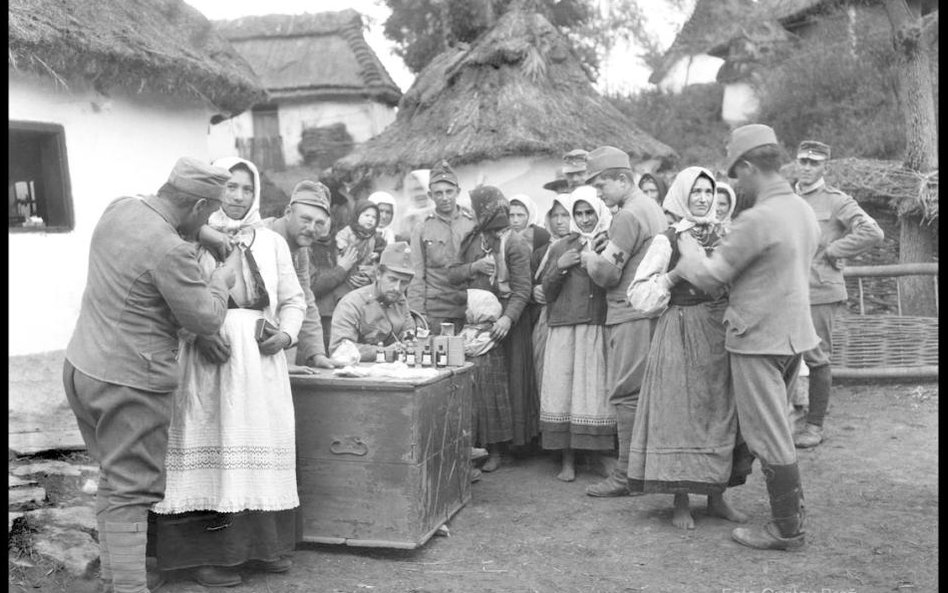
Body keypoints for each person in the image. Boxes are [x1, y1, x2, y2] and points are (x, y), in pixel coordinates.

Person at [63, 158, 236, 593]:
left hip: (83, 368)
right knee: (132, 492)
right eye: (211, 211)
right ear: (198, 204)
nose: (212, 219)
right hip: (129, 383)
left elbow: (164, 213)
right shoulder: (172, 251)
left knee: (114, 481)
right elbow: (205, 320)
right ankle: (128, 587)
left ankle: (112, 578)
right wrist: (221, 279)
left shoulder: (120, 208)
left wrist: (204, 230)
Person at [151, 157, 306, 586]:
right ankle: (208, 556)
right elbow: (168, 301)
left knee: (253, 448)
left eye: (246, 189)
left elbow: (294, 299)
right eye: (230, 187)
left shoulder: (273, 243)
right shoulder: (187, 240)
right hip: (208, 361)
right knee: (213, 445)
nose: (238, 197)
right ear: (212, 191)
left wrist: (287, 337)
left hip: (259, 366)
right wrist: (197, 335)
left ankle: (259, 550)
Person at [673, 123, 820, 550]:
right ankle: (791, 516)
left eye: (737, 174)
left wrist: (688, 253)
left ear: (751, 166)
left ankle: (786, 528)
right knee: (779, 429)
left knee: (767, 433)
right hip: (794, 335)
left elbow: (708, 277)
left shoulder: (758, 219)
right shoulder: (801, 210)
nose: (735, 183)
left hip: (757, 337)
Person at [625, 166, 749, 530]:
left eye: (708, 192)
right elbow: (638, 295)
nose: (702, 198)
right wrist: (675, 275)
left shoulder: (727, 236)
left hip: (719, 334)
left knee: (719, 412)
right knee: (680, 414)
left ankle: (716, 497)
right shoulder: (668, 239)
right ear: (682, 195)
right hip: (680, 329)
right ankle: (680, 499)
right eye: (695, 192)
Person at [581, 146, 668, 498]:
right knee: (643, 393)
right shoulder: (651, 208)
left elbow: (606, 273)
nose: (599, 193)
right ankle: (644, 470)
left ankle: (626, 475)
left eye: (602, 185)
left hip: (629, 313)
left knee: (626, 394)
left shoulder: (629, 215)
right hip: (648, 312)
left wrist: (589, 257)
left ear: (622, 179)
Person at [792, 140, 884, 449]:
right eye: (802, 160)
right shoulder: (784, 199)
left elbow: (873, 231)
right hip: (784, 292)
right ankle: (785, 421)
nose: (806, 167)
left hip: (819, 290)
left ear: (824, 167)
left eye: (813, 162)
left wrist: (835, 250)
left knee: (817, 358)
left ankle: (814, 426)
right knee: (781, 355)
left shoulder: (836, 201)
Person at [449, 185, 534, 471]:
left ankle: (499, 449)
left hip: (503, 327)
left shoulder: (514, 243)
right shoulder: (472, 239)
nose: (469, 214)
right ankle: (476, 445)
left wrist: (506, 319)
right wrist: (475, 267)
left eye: (474, 210)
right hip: (474, 324)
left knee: (498, 386)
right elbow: (452, 275)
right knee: (474, 385)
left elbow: (523, 289)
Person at [540, 186, 614, 482]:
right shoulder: (561, 246)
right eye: (579, 213)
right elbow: (546, 291)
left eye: (589, 213)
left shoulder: (609, 244)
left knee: (593, 393)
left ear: (599, 213)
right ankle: (567, 460)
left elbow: (614, 281)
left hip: (595, 326)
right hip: (564, 327)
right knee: (564, 392)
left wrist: (596, 259)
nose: (584, 219)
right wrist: (559, 267)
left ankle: (597, 456)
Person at [261, 180, 340, 370]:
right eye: (306, 219)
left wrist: (317, 354)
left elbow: (305, 300)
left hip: (277, 342)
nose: (312, 228)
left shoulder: (300, 251)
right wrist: (282, 364)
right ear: (288, 213)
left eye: (319, 223)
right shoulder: (261, 237)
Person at [407, 160, 476, 335]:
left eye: (449, 192)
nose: (445, 198)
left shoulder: (472, 224)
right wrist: (418, 314)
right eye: (438, 193)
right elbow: (417, 275)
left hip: (469, 309)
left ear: (458, 192)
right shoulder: (422, 227)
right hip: (436, 311)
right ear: (430, 195)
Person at [329, 242, 417, 360]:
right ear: (379, 274)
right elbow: (339, 350)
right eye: (392, 279)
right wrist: (383, 352)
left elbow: (408, 332)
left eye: (404, 282)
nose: (397, 288)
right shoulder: (352, 303)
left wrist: (409, 343)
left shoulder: (399, 300)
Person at [530, 194, 574, 402]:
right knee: (545, 370)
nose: (559, 221)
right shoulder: (542, 252)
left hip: (571, 317)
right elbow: (528, 281)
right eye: (555, 215)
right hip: (545, 319)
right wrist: (534, 290)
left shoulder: (583, 245)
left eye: (565, 215)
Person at [335, 200, 384, 289]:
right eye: (367, 215)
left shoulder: (375, 237)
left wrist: (377, 254)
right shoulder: (347, 232)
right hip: (345, 272)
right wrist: (345, 250)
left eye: (374, 217)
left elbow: (382, 253)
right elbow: (339, 244)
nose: (370, 219)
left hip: (364, 274)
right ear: (357, 215)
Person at [397, 169, 433, 239]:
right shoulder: (405, 219)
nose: (418, 194)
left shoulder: (442, 215)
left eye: (421, 188)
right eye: (414, 190)